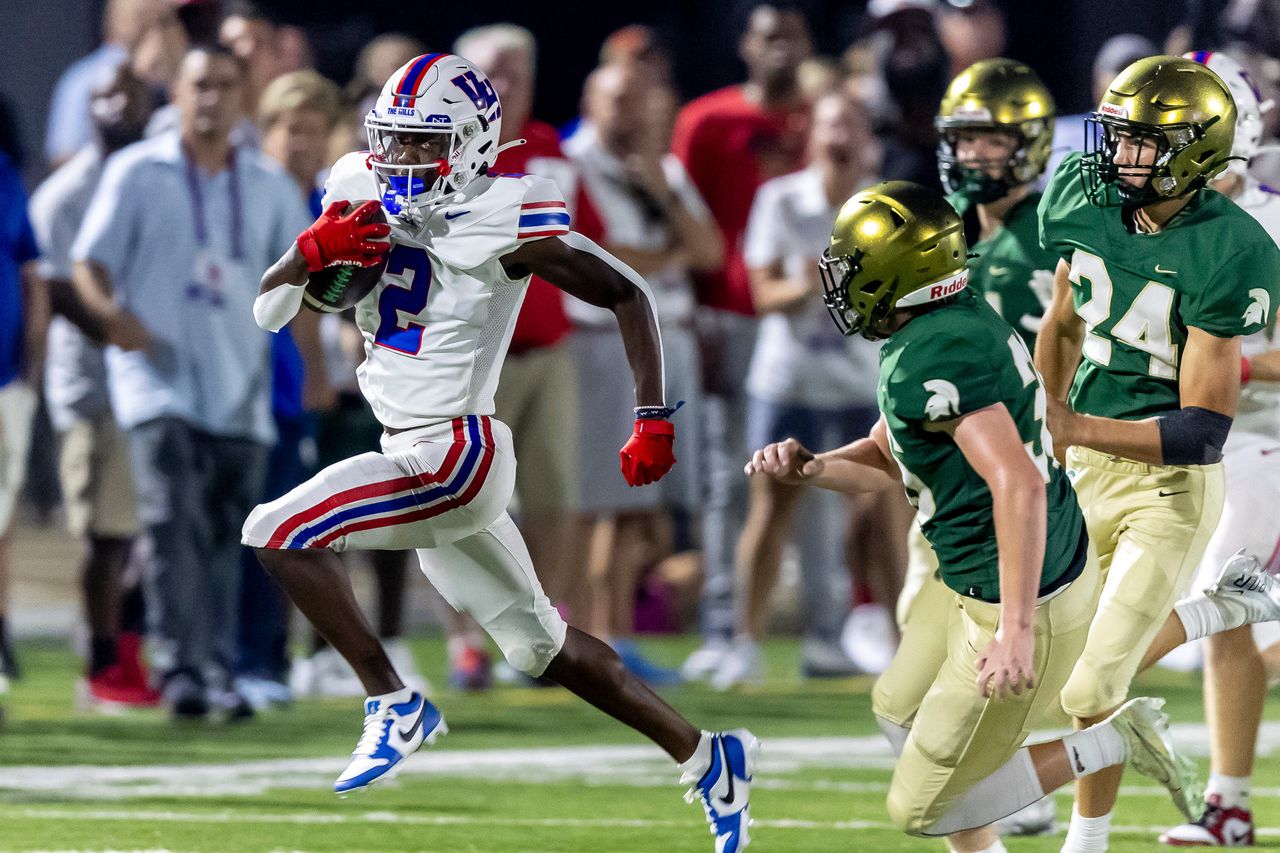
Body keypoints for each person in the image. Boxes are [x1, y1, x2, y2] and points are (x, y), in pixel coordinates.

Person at [241, 53, 758, 851]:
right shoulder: (355, 183)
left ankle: (391, 699)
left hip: (454, 454)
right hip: (407, 444)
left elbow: (628, 290)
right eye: (395, 141)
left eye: (424, 143)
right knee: (539, 645)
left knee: (275, 530)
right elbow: (275, 310)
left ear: (474, 143)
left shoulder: (507, 213)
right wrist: (312, 254)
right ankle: (706, 754)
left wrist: (652, 413)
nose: (402, 161)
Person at [748, 179, 1280, 848]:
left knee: (928, 806)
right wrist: (815, 466)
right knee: (896, 706)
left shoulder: (936, 354)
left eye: (854, 262)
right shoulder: (946, 326)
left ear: (900, 270)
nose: (840, 279)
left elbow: (1021, 485)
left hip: (1012, 583)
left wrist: (1017, 630)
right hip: (983, 572)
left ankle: (1113, 738)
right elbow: (891, 453)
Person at [1034, 56, 1280, 853]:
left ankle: (1217, 800)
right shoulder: (1089, 196)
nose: (1123, 154)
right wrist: (1048, 417)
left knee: (1106, 666)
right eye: (1123, 136)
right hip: (1104, 447)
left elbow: (1202, 419)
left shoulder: (1251, 236)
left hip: (1240, 438)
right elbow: (1066, 317)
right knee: (1058, 662)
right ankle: (1213, 805)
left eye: (1147, 140)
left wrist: (1078, 420)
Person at [70, 45, 312, 720]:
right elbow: (89, 261)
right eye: (200, 84)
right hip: (157, 381)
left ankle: (220, 669)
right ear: (176, 91)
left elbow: (303, 279)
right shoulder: (136, 171)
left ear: (243, 96)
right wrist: (112, 316)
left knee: (228, 541)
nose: (212, 97)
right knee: (172, 524)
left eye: (226, 85)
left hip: (240, 385)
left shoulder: (269, 184)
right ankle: (183, 671)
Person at [873, 57, 1064, 839]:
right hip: (952, 469)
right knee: (917, 655)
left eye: (990, 137)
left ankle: (1028, 775)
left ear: (1029, 140)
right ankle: (1009, 784)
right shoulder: (938, 222)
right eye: (964, 137)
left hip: (1032, 467)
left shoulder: (1062, 229)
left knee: (1003, 651)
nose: (975, 153)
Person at [712, 91, 884, 690]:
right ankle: (744, 641)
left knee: (883, 509)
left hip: (863, 377)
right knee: (772, 506)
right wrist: (824, 275)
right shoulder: (782, 199)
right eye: (831, 124)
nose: (841, 139)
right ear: (813, 135)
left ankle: (888, 637)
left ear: (868, 138)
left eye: (852, 126)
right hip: (790, 379)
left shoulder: (888, 205)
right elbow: (762, 295)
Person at [453, 24, 606, 685]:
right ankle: (467, 638)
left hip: (546, 349)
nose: (507, 86)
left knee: (554, 498)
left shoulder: (551, 151)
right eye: (493, 73)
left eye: (518, 72)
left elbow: (590, 242)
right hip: (468, 358)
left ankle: (541, 628)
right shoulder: (445, 151)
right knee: (461, 503)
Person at [1159, 50, 1280, 848]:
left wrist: (1221, 362)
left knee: (1220, 600)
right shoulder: (1138, 222)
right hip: (1174, 439)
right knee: (1239, 625)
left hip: (1263, 434)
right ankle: (1228, 804)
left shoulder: (1271, 220)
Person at [564, 63, 720, 682]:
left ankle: (618, 636)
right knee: (589, 497)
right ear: (591, 100)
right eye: (618, 100)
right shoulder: (574, 165)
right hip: (604, 336)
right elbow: (592, 254)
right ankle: (579, 630)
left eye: (640, 101)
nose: (630, 114)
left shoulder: (664, 168)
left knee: (638, 503)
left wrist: (664, 192)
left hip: (668, 337)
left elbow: (709, 251)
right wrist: (666, 257)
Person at [672, 0, 812, 681]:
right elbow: (685, 221)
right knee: (730, 477)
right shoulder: (707, 120)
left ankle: (830, 623)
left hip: (817, 319)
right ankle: (725, 624)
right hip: (732, 315)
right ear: (745, 48)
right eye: (768, 37)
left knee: (828, 471)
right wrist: (696, 311)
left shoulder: (828, 116)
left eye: (790, 36)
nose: (780, 48)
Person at [30, 59, 159, 710]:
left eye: (128, 96)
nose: (115, 107)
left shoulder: (156, 179)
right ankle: (102, 664)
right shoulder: (64, 194)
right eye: (103, 96)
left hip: (159, 381)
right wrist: (121, 329)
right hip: (95, 384)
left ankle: (125, 648)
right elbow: (52, 288)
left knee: (144, 530)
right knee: (105, 533)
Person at [235, 68, 345, 710]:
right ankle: (245, 659)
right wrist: (316, 372)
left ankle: (273, 657)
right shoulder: (253, 195)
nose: (300, 142)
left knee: (296, 533)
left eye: (312, 129)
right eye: (287, 127)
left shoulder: (328, 203)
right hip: (260, 386)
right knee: (255, 532)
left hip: (301, 391)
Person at [0, 138, 44, 698]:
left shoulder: (4, 174)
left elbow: (31, 272)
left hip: (4, 375)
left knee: (1, 515)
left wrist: (31, 365)